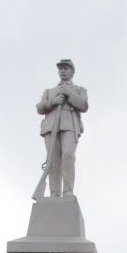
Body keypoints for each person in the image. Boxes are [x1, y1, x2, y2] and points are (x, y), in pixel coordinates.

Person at [37, 59, 88, 197]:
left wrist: (69, 94)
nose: (62, 71)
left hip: (70, 124)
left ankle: (68, 191)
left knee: (68, 155)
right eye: (60, 69)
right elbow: (40, 108)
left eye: (66, 68)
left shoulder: (79, 90)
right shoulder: (49, 91)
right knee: (53, 161)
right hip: (51, 126)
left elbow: (83, 106)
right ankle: (54, 192)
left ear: (72, 71)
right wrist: (53, 101)